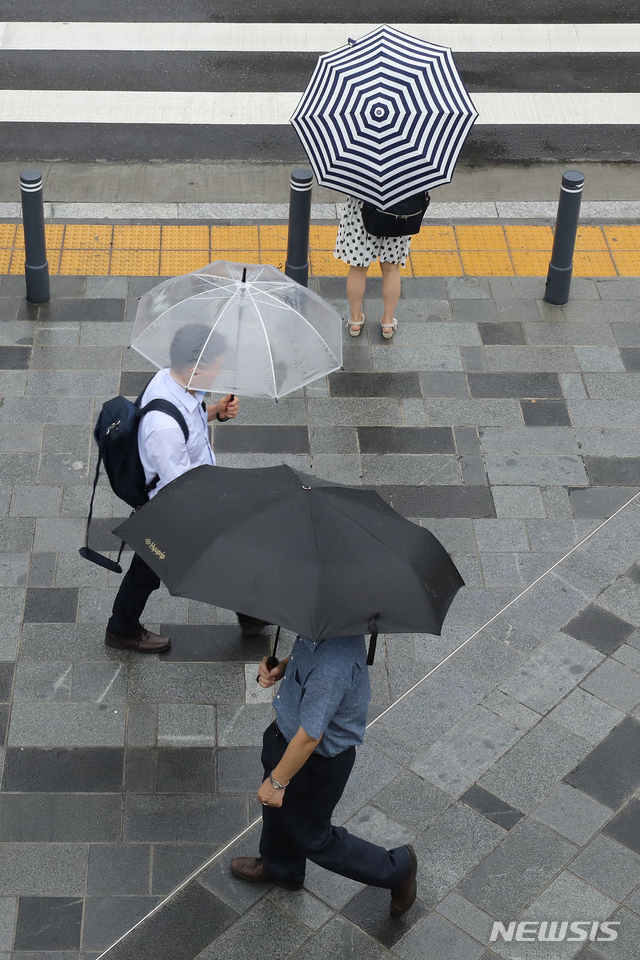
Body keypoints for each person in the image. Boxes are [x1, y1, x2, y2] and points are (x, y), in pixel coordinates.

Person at [105, 323, 266, 653]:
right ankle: (121, 629)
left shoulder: (175, 381)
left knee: (153, 566)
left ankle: (249, 615)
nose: (221, 371)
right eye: (217, 366)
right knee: (163, 565)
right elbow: (178, 485)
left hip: (186, 493)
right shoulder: (162, 429)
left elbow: (188, 423)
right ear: (194, 369)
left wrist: (216, 412)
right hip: (171, 504)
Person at [230, 634, 418, 916]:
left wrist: (278, 781)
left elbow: (309, 738)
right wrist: (284, 667)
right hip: (285, 740)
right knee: (278, 815)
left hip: (313, 764)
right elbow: (308, 667)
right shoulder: (321, 628)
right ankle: (282, 868)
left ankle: (397, 869)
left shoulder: (333, 665)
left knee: (313, 837)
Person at [334, 195, 411, 340]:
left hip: (362, 211)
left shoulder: (362, 170)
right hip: (399, 212)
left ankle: (355, 320)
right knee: (391, 269)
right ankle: (388, 322)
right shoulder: (408, 171)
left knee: (358, 268)